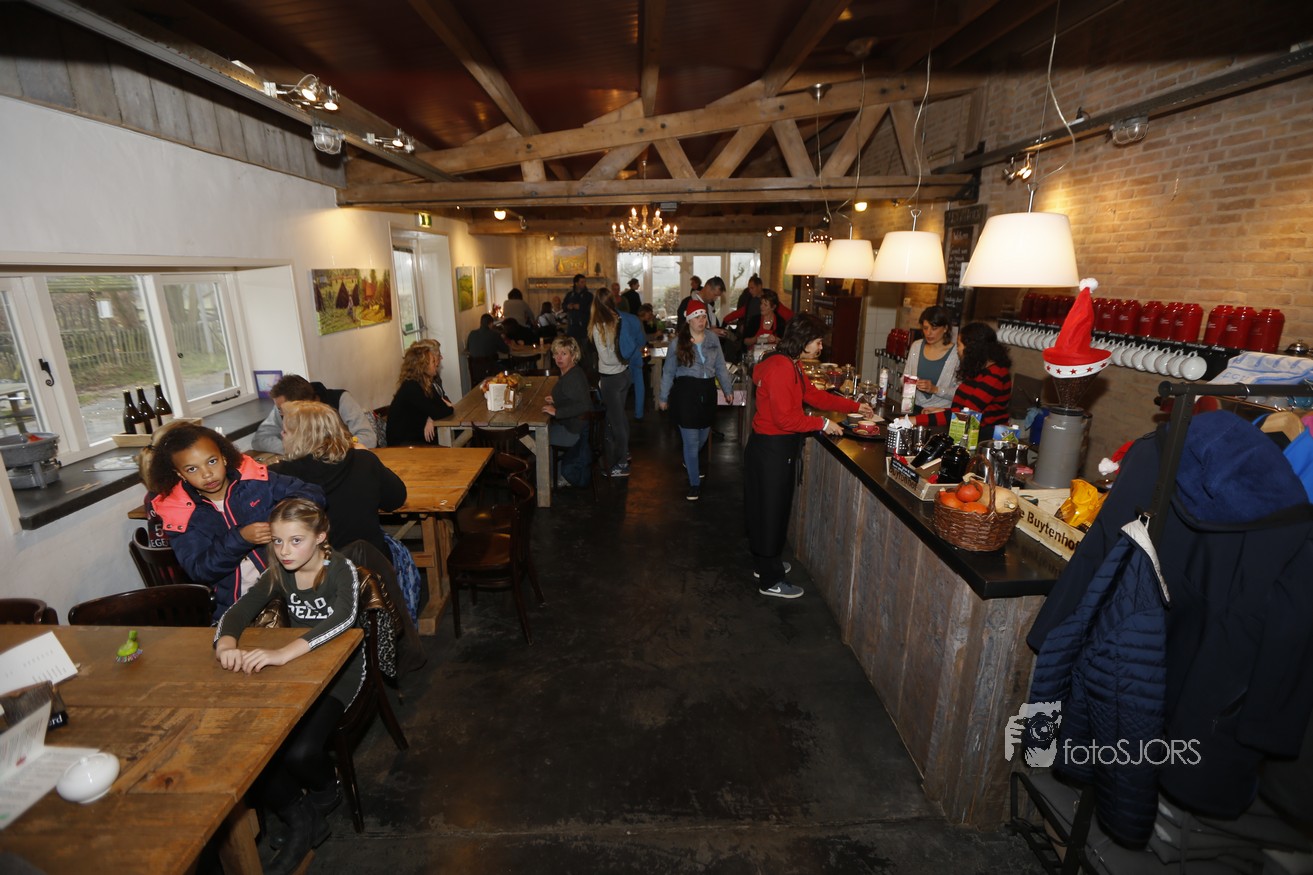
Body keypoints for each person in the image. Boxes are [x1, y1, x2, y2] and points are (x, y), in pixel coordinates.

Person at [213, 498, 363, 875]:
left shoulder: (340, 568)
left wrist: (282, 653)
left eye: (296, 540)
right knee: (255, 747)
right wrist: (225, 643)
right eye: (278, 541)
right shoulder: (279, 571)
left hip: (341, 670)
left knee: (299, 752)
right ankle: (302, 815)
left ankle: (326, 791)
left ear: (321, 537)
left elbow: (344, 619)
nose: (284, 551)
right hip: (298, 669)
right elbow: (240, 609)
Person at [273, 400, 425, 674]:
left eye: (285, 431)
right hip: (371, 567)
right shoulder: (364, 461)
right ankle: (403, 631)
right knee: (399, 551)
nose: (281, 435)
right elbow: (396, 498)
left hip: (315, 577)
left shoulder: (281, 477)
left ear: (300, 435)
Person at [744, 314, 873, 599]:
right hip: (772, 449)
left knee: (767, 511)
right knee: (771, 512)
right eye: (817, 342)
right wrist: (823, 423)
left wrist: (854, 406)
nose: (820, 347)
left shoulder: (790, 362)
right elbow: (785, 420)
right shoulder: (782, 368)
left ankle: (766, 565)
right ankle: (770, 580)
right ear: (802, 341)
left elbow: (813, 396)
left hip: (771, 448)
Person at [147, 423, 324, 619]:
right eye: (192, 469)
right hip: (239, 605)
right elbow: (200, 570)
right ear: (180, 474)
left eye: (212, 461)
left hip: (293, 589)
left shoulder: (255, 481)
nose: (206, 474)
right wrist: (241, 539)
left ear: (224, 457)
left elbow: (312, 493)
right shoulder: (181, 513)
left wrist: (278, 515)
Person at [657, 300, 734, 501]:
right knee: (691, 442)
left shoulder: (712, 338)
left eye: (704, 317)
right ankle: (694, 484)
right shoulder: (677, 343)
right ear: (689, 320)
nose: (702, 320)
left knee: (702, 437)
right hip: (686, 394)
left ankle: (689, 459)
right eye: (698, 317)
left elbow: (720, 365)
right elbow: (668, 371)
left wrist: (727, 389)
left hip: (707, 392)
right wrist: (663, 397)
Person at [913, 321, 1012, 430]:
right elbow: (963, 410)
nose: (957, 350)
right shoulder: (978, 369)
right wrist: (943, 411)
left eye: (959, 345)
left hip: (986, 435)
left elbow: (965, 415)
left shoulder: (995, 375)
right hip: (967, 431)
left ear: (971, 348)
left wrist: (914, 420)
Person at [252, 374, 377, 454]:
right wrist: (294, 449)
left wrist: (326, 450)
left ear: (302, 405)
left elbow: (368, 438)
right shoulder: (281, 408)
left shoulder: (341, 400)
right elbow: (260, 440)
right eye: (279, 409)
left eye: (282, 410)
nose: (281, 414)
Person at [589, 286, 641, 476]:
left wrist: (615, 360)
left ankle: (621, 464)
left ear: (596, 304)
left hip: (611, 379)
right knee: (621, 419)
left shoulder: (598, 326)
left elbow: (606, 358)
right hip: (624, 375)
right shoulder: (619, 319)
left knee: (615, 422)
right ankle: (624, 454)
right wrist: (623, 360)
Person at [542, 336, 594, 487]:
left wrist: (557, 412)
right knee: (542, 432)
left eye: (564, 354)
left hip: (575, 431)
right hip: (574, 426)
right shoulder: (570, 372)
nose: (559, 358)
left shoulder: (573, 377)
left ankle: (550, 481)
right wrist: (557, 400)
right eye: (556, 353)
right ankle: (556, 473)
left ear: (573, 355)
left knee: (539, 438)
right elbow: (573, 398)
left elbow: (584, 405)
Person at [386, 341, 455, 446]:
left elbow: (439, 407)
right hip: (403, 445)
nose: (436, 364)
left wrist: (430, 418)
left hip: (415, 438)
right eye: (433, 361)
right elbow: (441, 411)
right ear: (423, 366)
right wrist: (446, 409)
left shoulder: (425, 383)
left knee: (452, 439)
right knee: (448, 447)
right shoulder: (411, 387)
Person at [904, 306, 960, 413]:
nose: (928, 333)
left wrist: (935, 389)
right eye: (925, 328)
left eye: (934, 329)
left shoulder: (956, 354)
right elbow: (904, 378)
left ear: (945, 328)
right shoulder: (916, 346)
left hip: (940, 412)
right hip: (914, 408)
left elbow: (960, 393)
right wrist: (911, 382)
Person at [562, 274, 593, 343]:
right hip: (572, 328)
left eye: (585, 282)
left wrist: (581, 307)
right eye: (582, 282)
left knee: (584, 347)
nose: (584, 283)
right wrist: (567, 306)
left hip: (584, 328)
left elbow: (592, 309)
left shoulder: (589, 296)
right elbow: (563, 306)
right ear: (576, 283)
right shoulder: (570, 295)